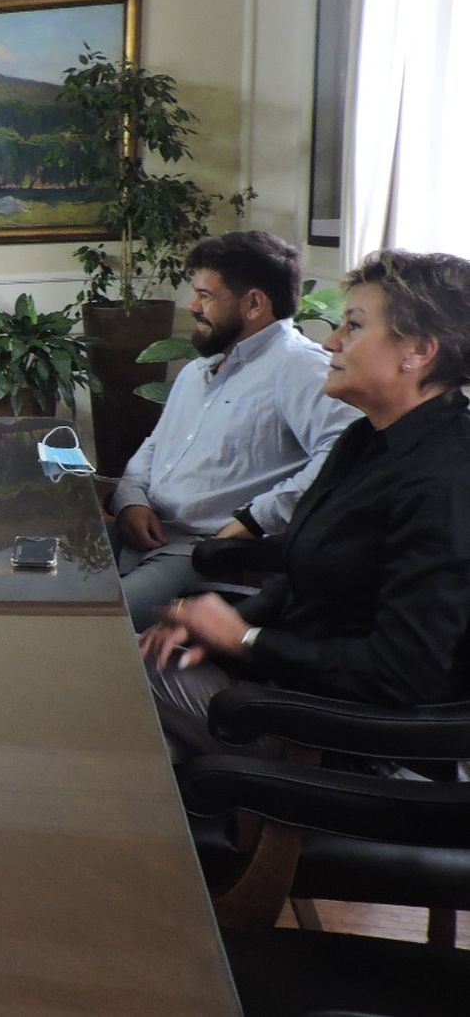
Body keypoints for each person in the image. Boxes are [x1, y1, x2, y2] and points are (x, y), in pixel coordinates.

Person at [142, 250, 470, 757]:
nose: (331, 341)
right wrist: (217, 629)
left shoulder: (447, 478)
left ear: (419, 351)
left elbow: (404, 674)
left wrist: (246, 639)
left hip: (340, 733)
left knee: (110, 679)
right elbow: (302, 576)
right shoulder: (364, 439)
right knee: (139, 715)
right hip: (283, 684)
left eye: (354, 326)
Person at [110, 231, 360, 630]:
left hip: (200, 553)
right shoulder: (198, 370)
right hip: (142, 533)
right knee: (41, 585)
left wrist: (256, 519)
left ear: (254, 303)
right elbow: (156, 445)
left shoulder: (300, 368)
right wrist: (131, 499)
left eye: (206, 296)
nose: (192, 306)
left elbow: (346, 451)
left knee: (94, 624)